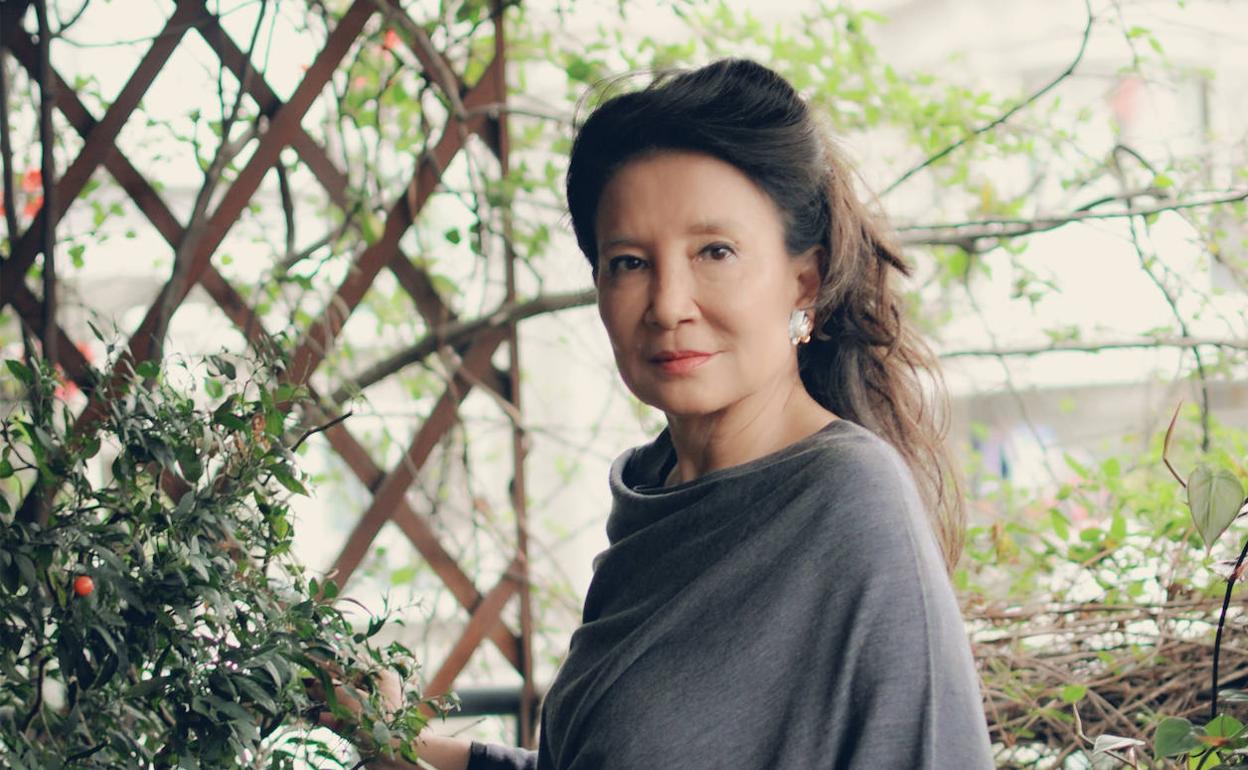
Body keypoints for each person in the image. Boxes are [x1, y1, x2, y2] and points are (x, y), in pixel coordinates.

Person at [396, 57, 994, 769]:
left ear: (804, 281)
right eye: (629, 262)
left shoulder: (846, 501)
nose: (669, 304)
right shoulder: (655, 494)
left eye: (715, 251)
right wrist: (397, 738)